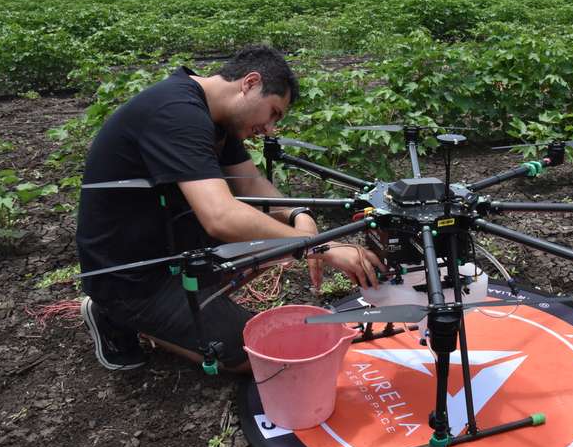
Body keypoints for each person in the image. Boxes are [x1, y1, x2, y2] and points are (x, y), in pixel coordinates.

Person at [76, 45, 384, 374]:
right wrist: (319, 246)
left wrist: (300, 217)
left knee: (276, 247)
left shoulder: (217, 115)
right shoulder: (176, 112)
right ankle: (116, 315)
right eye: (273, 113)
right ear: (250, 83)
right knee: (256, 355)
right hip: (133, 279)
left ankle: (192, 308)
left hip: (175, 251)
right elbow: (221, 217)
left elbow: (250, 183)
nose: (269, 129)